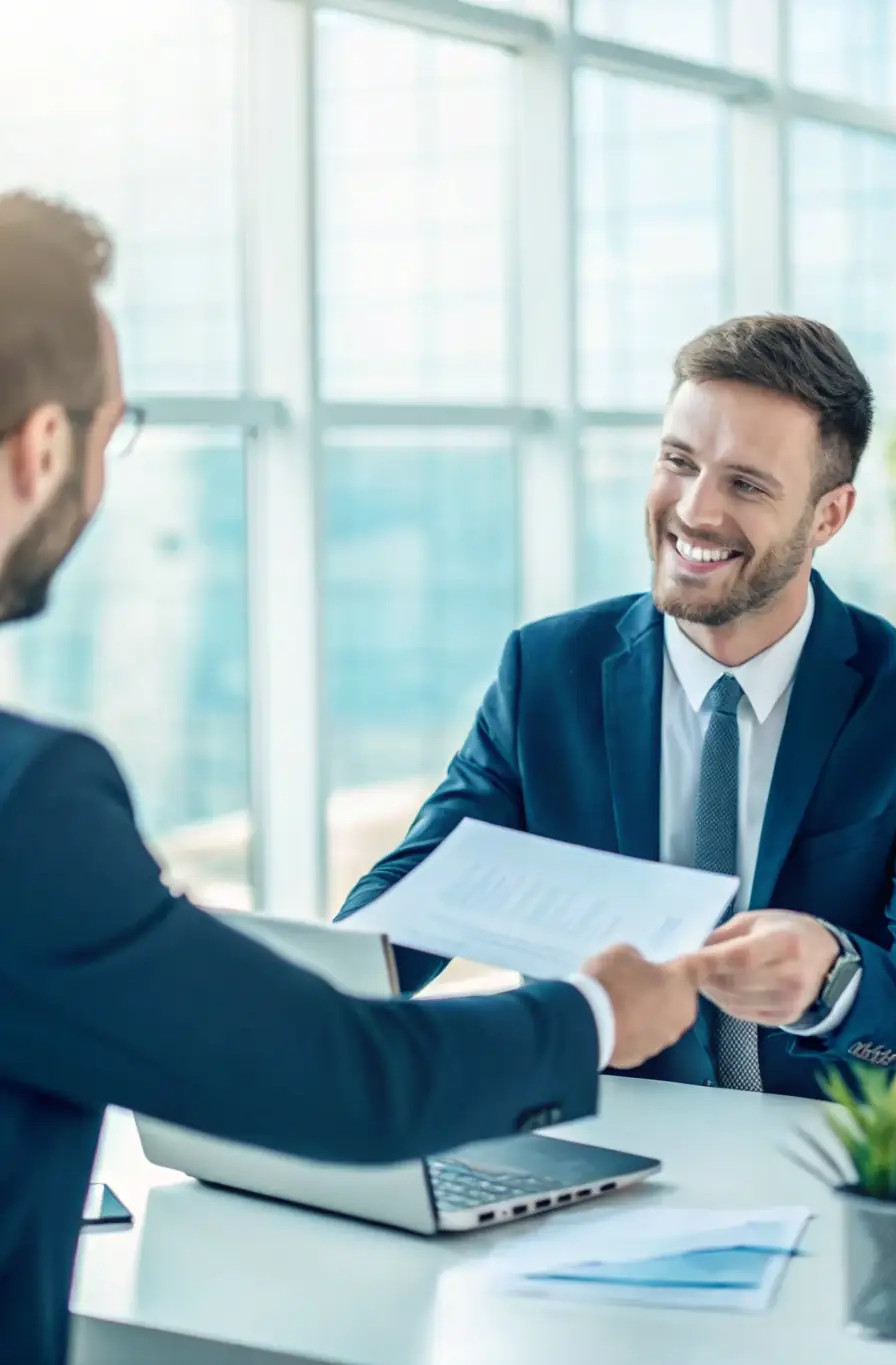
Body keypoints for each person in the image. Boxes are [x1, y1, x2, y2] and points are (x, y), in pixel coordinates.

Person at [0, 192, 702, 1365]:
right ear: (47, 446)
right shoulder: (29, 808)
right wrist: (599, 1012)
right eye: (114, 433)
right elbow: (355, 1082)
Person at [339, 313, 896, 1099]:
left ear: (829, 515)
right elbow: (409, 915)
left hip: (829, 1170)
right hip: (600, 1154)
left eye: (746, 483)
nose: (694, 510)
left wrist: (834, 976)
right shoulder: (548, 673)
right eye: (678, 461)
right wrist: (254, 991)